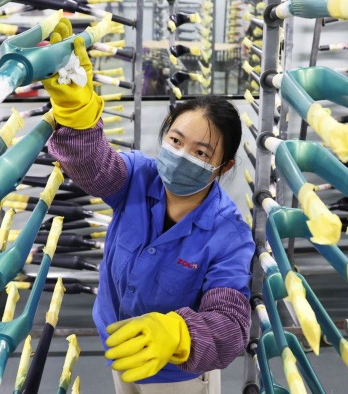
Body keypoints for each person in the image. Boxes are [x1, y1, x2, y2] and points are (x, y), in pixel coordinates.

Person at [42, 18, 254, 394]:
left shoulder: (229, 235)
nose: (182, 155)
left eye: (201, 152)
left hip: (179, 374)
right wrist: (76, 116)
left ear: (224, 167)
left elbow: (231, 322)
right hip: (118, 349)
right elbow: (94, 167)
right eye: (176, 140)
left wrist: (177, 334)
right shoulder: (140, 176)